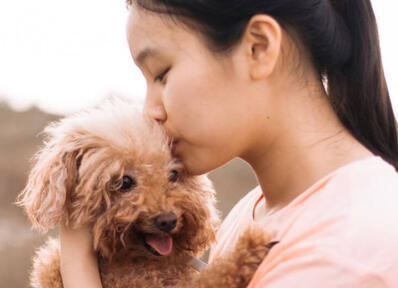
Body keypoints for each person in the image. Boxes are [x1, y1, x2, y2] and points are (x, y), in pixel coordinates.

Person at [59, 0, 398, 287]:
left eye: (161, 73)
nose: (150, 111)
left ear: (258, 48)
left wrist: (77, 265)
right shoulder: (254, 213)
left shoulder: (347, 247)